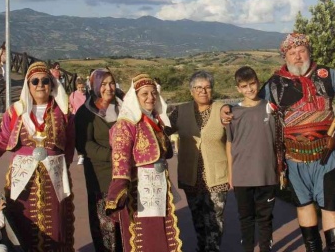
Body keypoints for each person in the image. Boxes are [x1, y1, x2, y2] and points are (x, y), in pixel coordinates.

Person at [221, 33, 335, 252]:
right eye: (292, 53)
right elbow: (251, 100)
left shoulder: (326, 75)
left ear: (309, 52)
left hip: (326, 155)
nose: (297, 57)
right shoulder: (275, 84)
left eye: (301, 51)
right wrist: (226, 108)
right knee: (304, 206)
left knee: (330, 208)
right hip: (293, 159)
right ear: (285, 56)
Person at [0, 61, 75, 251]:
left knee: (55, 225)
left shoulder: (63, 112)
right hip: (23, 182)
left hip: (53, 179)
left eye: (45, 80)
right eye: (35, 81)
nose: (40, 85)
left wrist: (58, 165)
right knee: (23, 224)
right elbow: (1, 140)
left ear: (52, 84)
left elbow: (69, 145)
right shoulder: (16, 111)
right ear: (28, 85)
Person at [105, 73, 182, 252]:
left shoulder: (156, 119)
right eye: (145, 94)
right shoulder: (127, 122)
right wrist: (119, 188)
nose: (150, 98)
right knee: (145, 234)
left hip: (159, 184)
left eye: (153, 93)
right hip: (139, 188)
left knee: (161, 229)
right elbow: (121, 156)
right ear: (135, 97)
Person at [167, 70, 229, 252]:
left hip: (216, 177)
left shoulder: (222, 109)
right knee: (198, 221)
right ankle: (201, 248)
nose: (203, 91)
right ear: (191, 91)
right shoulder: (179, 112)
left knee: (215, 222)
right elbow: (162, 132)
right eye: (198, 87)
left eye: (208, 87)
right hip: (190, 176)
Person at [224, 66, 280, 252]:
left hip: (266, 174)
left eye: (252, 84)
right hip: (242, 176)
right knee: (246, 219)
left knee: (265, 220)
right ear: (238, 88)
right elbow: (229, 145)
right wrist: (231, 175)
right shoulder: (232, 113)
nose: (249, 89)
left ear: (258, 82)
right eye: (244, 86)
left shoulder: (270, 108)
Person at [75, 69, 122, 252]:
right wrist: (113, 156)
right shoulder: (86, 113)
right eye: (103, 84)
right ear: (95, 86)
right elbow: (84, 145)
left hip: (125, 175)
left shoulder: (123, 107)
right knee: (105, 225)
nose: (108, 88)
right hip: (101, 176)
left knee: (126, 223)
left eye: (111, 83)